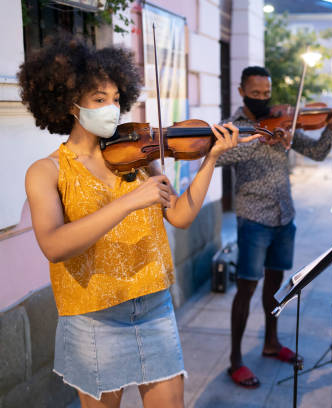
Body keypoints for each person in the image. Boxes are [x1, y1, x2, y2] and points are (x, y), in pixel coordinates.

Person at [18, 35, 255, 407]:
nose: (112, 109)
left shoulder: (139, 153)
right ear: (68, 103)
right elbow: (53, 245)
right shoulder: (46, 171)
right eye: (99, 100)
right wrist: (129, 201)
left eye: (115, 99)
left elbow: (179, 215)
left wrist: (211, 159)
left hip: (154, 306)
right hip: (93, 318)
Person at [215, 66, 332, 389]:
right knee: (246, 288)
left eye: (266, 93)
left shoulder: (281, 120)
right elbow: (219, 158)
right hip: (253, 218)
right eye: (255, 93)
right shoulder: (233, 127)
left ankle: (271, 342)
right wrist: (263, 140)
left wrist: (330, 127)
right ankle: (235, 359)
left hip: (283, 216)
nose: (262, 99)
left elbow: (317, 153)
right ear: (242, 90)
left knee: (276, 288)